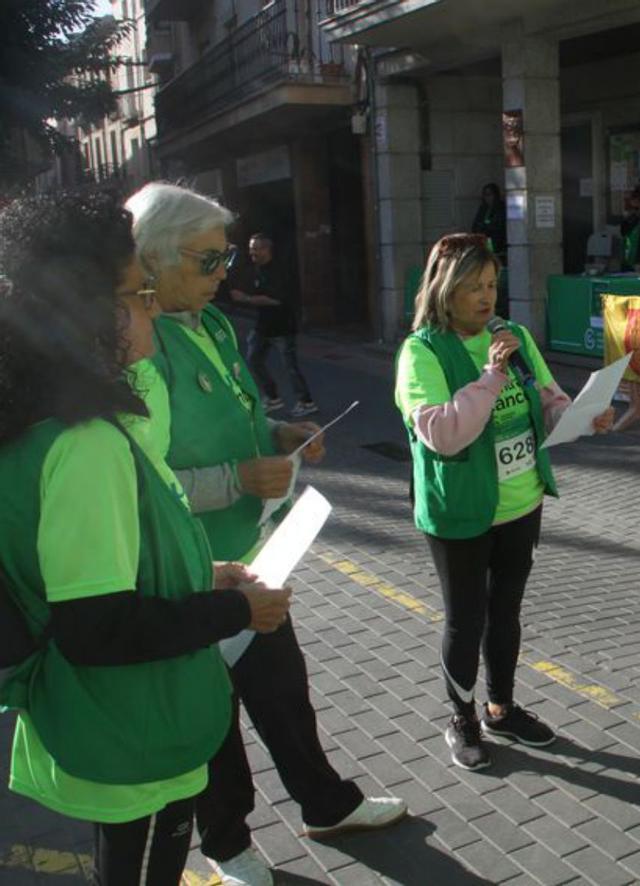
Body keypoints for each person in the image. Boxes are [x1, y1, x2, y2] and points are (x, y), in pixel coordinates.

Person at [0, 191, 292, 886]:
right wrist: (236, 610)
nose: (153, 307)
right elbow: (97, 626)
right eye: (136, 295)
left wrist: (206, 572)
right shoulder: (87, 443)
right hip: (133, 728)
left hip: (105, 725)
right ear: (84, 316)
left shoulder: (37, 425)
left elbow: (106, 568)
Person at [124, 182, 405, 886]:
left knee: (284, 691)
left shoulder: (212, 325)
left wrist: (283, 435)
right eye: (210, 260)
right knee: (215, 720)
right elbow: (135, 482)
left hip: (257, 556)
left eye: (226, 258)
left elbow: (248, 420)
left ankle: (326, 803)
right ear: (154, 259)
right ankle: (226, 843)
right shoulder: (137, 341)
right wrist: (236, 479)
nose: (228, 274)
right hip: (195, 569)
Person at [395, 232, 614, 770]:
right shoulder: (421, 351)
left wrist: (580, 416)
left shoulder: (511, 334)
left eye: (491, 284)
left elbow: (547, 400)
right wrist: (491, 376)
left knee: (506, 613)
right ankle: (462, 717)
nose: (486, 297)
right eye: (472, 286)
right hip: (460, 511)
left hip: (521, 502)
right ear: (444, 290)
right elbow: (445, 434)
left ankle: (501, 706)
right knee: (464, 619)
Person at [231, 233, 319, 418]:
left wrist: (246, 298)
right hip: (263, 327)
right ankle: (272, 397)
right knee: (253, 360)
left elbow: (275, 300)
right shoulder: (256, 270)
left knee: (290, 367)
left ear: (266, 249)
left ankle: (306, 402)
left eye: (255, 248)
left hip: (282, 327)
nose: (251, 252)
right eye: (250, 248)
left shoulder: (279, 271)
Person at [471, 183, 507, 261]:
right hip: (483, 242)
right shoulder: (483, 208)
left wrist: (485, 226)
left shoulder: (501, 208)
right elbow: (475, 225)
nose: (487, 198)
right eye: (485, 195)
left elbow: (497, 225)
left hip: (497, 242)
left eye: (489, 194)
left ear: (495, 195)